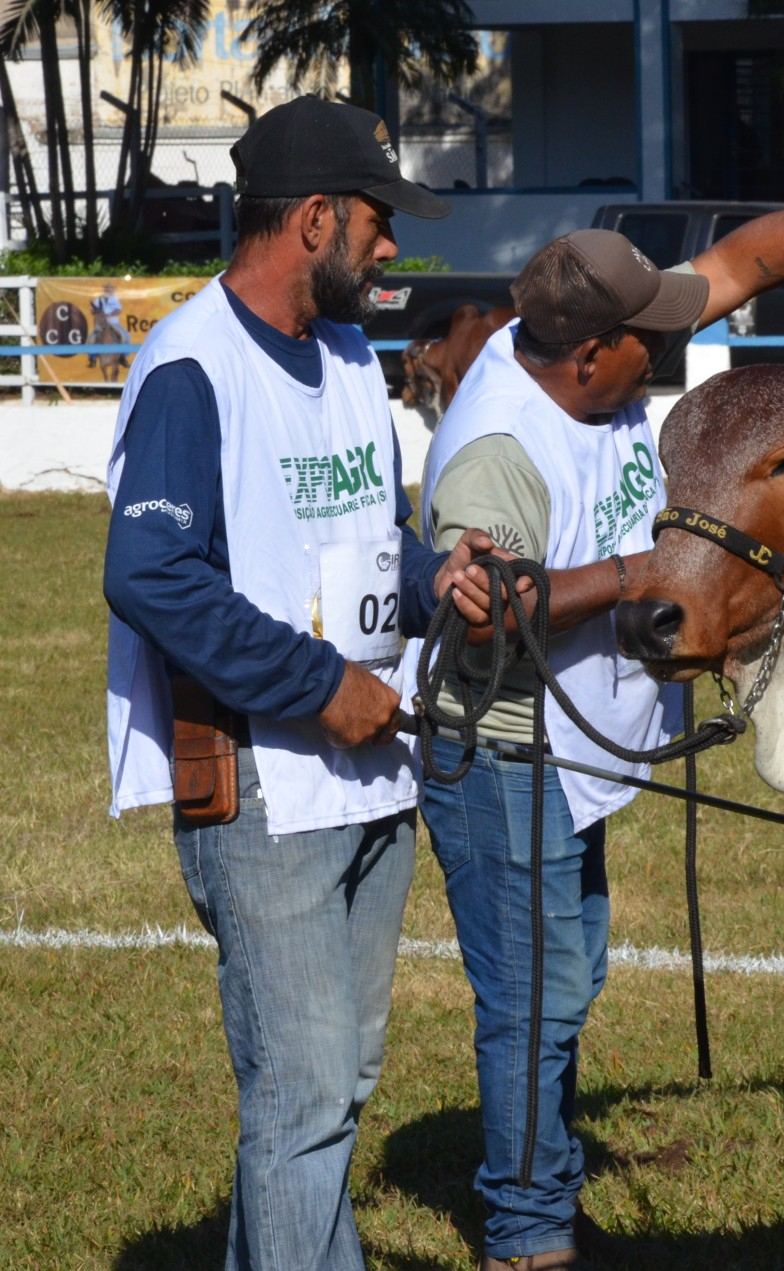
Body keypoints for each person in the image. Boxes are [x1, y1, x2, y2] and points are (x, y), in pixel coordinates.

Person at [417, 154, 784, 1271]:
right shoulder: (493, 449)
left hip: (573, 748)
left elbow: (741, 262)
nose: (666, 345)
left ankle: (547, 1198)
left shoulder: (590, 364)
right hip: (506, 755)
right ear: (588, 353)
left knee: (566, 982)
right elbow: (483, 614)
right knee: (535, 1000)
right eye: (648, 341)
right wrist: (647, 576)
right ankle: (528, 1238)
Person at [101, 95, 496, 1271]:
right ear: (315, 218)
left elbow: (364, 539)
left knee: (331, 1088)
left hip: (372, 780)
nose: (392, 248)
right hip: (266, 783)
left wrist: (442, 580)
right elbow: (153, 574)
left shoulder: (348, 352)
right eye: (380, 222)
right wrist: (322, 687)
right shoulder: (190, 368)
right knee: (304, 1093)